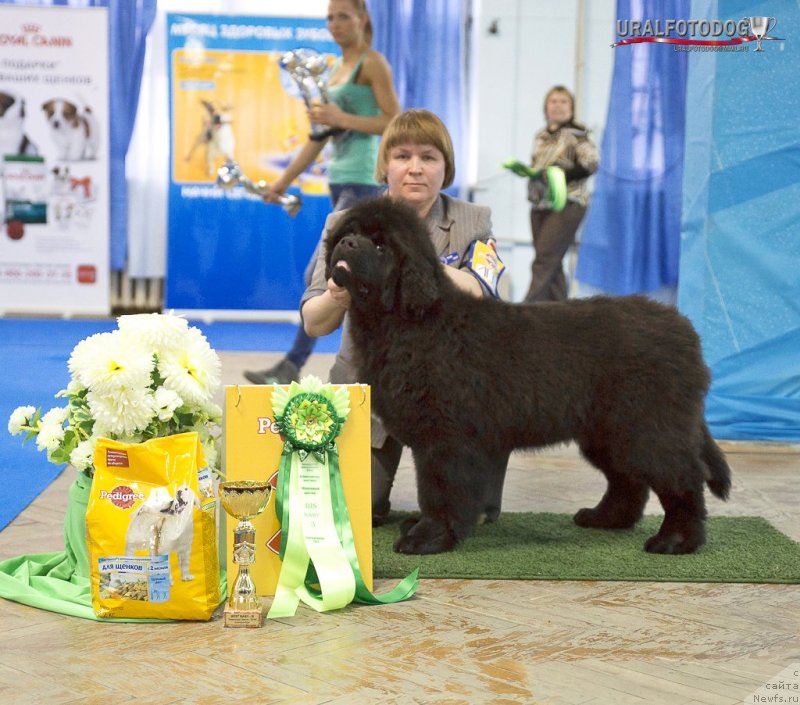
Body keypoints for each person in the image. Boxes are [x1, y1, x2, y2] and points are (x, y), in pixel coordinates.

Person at [301, 108, 501, 525]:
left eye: (429, 157)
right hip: (372, 391)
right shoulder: (344, 223)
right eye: (402, 156)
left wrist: (417, 257)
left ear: (445, 168)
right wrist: (338, 296)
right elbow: (314, 322)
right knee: (358, 507)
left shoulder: (473, 221)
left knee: (473, 511)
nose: (415, 169)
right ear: (384, 165)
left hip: (454, 394)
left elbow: (486, 291)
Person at [244, 0, 401, 385]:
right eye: (329, 17)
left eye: (342, 16)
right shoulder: (334, 70)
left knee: (324, 272)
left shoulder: (372, 63)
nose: (334, 24)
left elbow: (395, 120)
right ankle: (366, 364)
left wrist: (341, 117)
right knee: (338, 274)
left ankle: (292, 366)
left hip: (365, 180)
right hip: (342, 180)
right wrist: (283, 182)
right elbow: (320, 138)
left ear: (362, 19)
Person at [524, 85, 598, 303]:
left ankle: (526, 310)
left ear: (572, 107)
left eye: (563, 101)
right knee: (552, 265)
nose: (558, 106)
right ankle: (561, 313)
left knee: (544, 260)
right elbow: (536, 164)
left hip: (568, 202)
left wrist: (560, 175)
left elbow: (591, 164)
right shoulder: (541, 135)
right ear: (546, 107)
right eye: (553, 101)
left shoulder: (578, 132)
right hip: (539, 205)